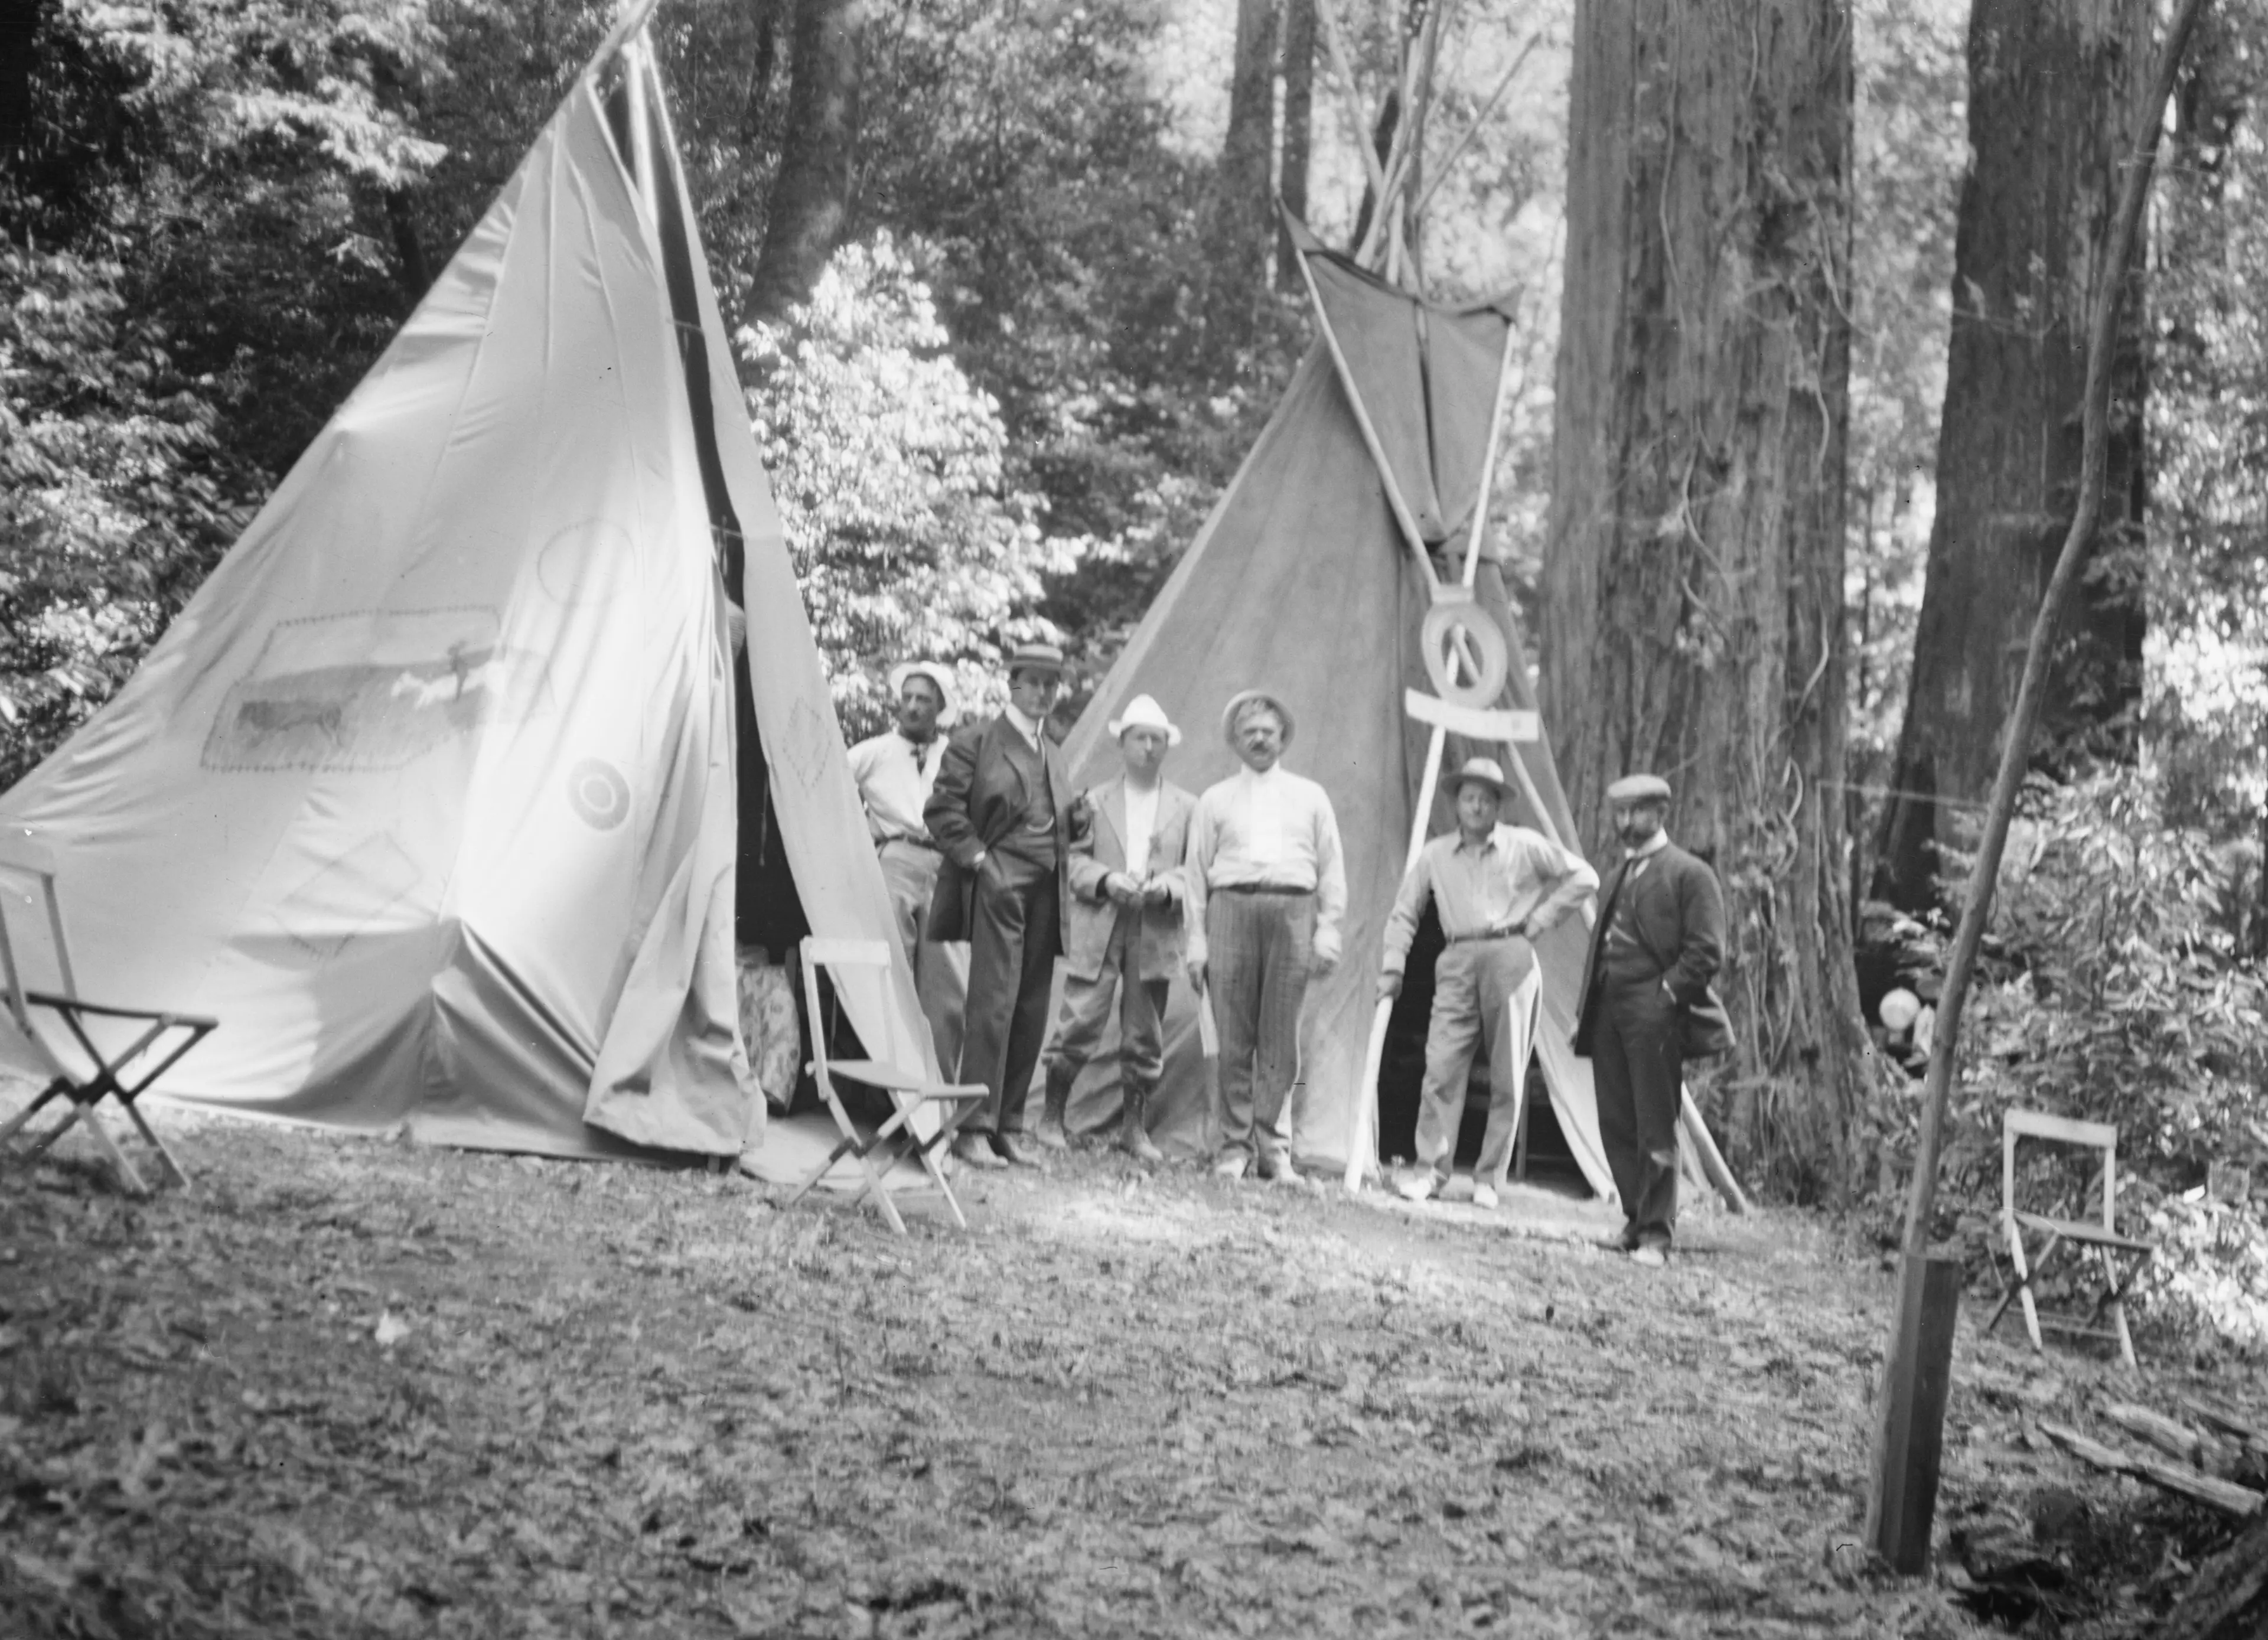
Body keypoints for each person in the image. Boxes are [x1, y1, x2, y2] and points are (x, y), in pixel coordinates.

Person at [1377, 757, 1598, 1209]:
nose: (1476, 807)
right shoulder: (1436, 854)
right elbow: (1405, 911)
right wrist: (1394, 963)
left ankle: (1488, 1178)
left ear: (1499, 806)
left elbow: (1584, 876)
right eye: (1468, 798)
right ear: (1456, 804)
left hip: (1510, 954)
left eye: (1486, 799)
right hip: (1457, 956)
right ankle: (1428, 1172)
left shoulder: (1523, 845)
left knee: (1507, 1073)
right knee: (1441, 1066)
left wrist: (1541, 919)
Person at [1186, 689, 1346, 1183]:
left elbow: (1331, 868)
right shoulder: (1215, 799)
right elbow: (1195, 875)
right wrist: (1197, 942)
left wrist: (1327, 930)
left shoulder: (1310, 796)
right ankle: (1233, 1146)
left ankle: (1275, 1149)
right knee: (1233, 1037)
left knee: (1282, 1040)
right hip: (1230, 909)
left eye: (1268, 731)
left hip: (1293, 913)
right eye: (1249, 731)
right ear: (1235, 740)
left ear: (1282, 738)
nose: (1259, 738)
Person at [924, 642, 1073, 1170]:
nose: (1042, 693)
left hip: (1047, 891)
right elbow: (941, 810)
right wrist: (983, 861)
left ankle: (1007, 1124)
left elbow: (1057, 820)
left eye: (1051, 685)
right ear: (1011, 683)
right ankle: (971, 1126)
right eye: (1033, 681)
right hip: (998, 881)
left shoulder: (1053, 752)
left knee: (1031, 1006)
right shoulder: (977, 741)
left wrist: (1080, 820)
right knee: (992, 1003)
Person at [1572, 773, 1725, 1268]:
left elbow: (1707, 949)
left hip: (1654, 1012)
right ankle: (1636, 1220)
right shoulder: (1617, 875)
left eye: (1635, 812)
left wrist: (1665, 995)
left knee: (1655, 1124)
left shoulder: (1690, 873)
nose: (1624, 822)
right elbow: (1598, 952)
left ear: (1659, 814)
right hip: (1609, 1011)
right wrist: (1586, 1013)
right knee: (1616, 1121)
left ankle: (1658, 1235)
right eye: (1619, 812)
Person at [1037, 695, 1194, 1162]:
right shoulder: (1092, 800)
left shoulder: (1187, 806)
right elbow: (1072, 861)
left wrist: (1165, 887)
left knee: (1144, 1030)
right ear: (1122, 743)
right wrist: (1107, 880)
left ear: (1167, 746)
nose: (1148, 747)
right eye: (1140, 738)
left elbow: (1197, 870)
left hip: (1155, 925)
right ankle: (1051, 1116)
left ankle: (1133, 1127)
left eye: (1157, 739)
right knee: (1080, 1017)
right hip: (1102, 921)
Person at [846, 661, 964, 1072]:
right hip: (896, 859)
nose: (913, 707)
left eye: (924, 700)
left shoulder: (957, 754)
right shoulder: (874, 751)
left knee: (947, 981)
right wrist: (864, 838)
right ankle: (891, 1097)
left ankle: (939, 1094)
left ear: (940, 708)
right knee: (892, 972)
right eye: (908, 697)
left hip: (947, 863)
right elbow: (828, 786)